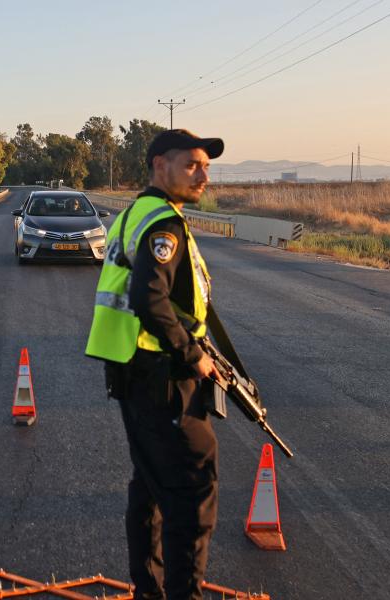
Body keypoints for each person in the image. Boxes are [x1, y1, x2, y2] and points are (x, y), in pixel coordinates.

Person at [85, 129, 225, 600]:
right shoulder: (163, 224)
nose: (203, 175)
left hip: (134, 368)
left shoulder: (135, 214)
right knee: (191, 490)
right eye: (192, 165)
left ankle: (149, 590)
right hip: (162, 375)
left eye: (206, 166)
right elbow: (150, 297)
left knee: (149, 485)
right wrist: (194, 356)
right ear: (159, 164)